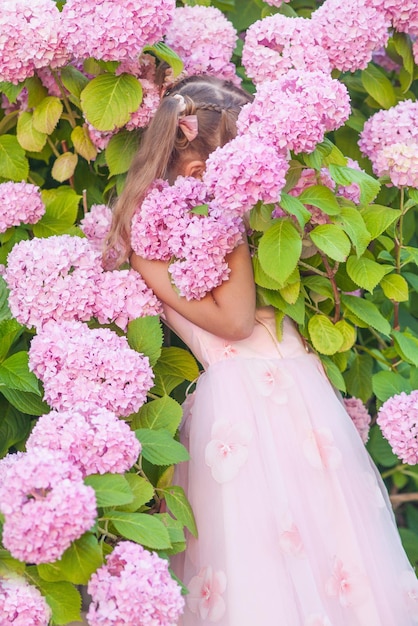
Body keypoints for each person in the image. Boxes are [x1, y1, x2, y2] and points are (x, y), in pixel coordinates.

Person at [105, 75, 418, 626]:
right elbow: (235, 318)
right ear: (200, 166)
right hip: (244, 405)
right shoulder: (152, 231)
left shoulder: (226, 215)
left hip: (298, 394)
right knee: (259, 559)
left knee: (335, 542)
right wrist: (232, 229)